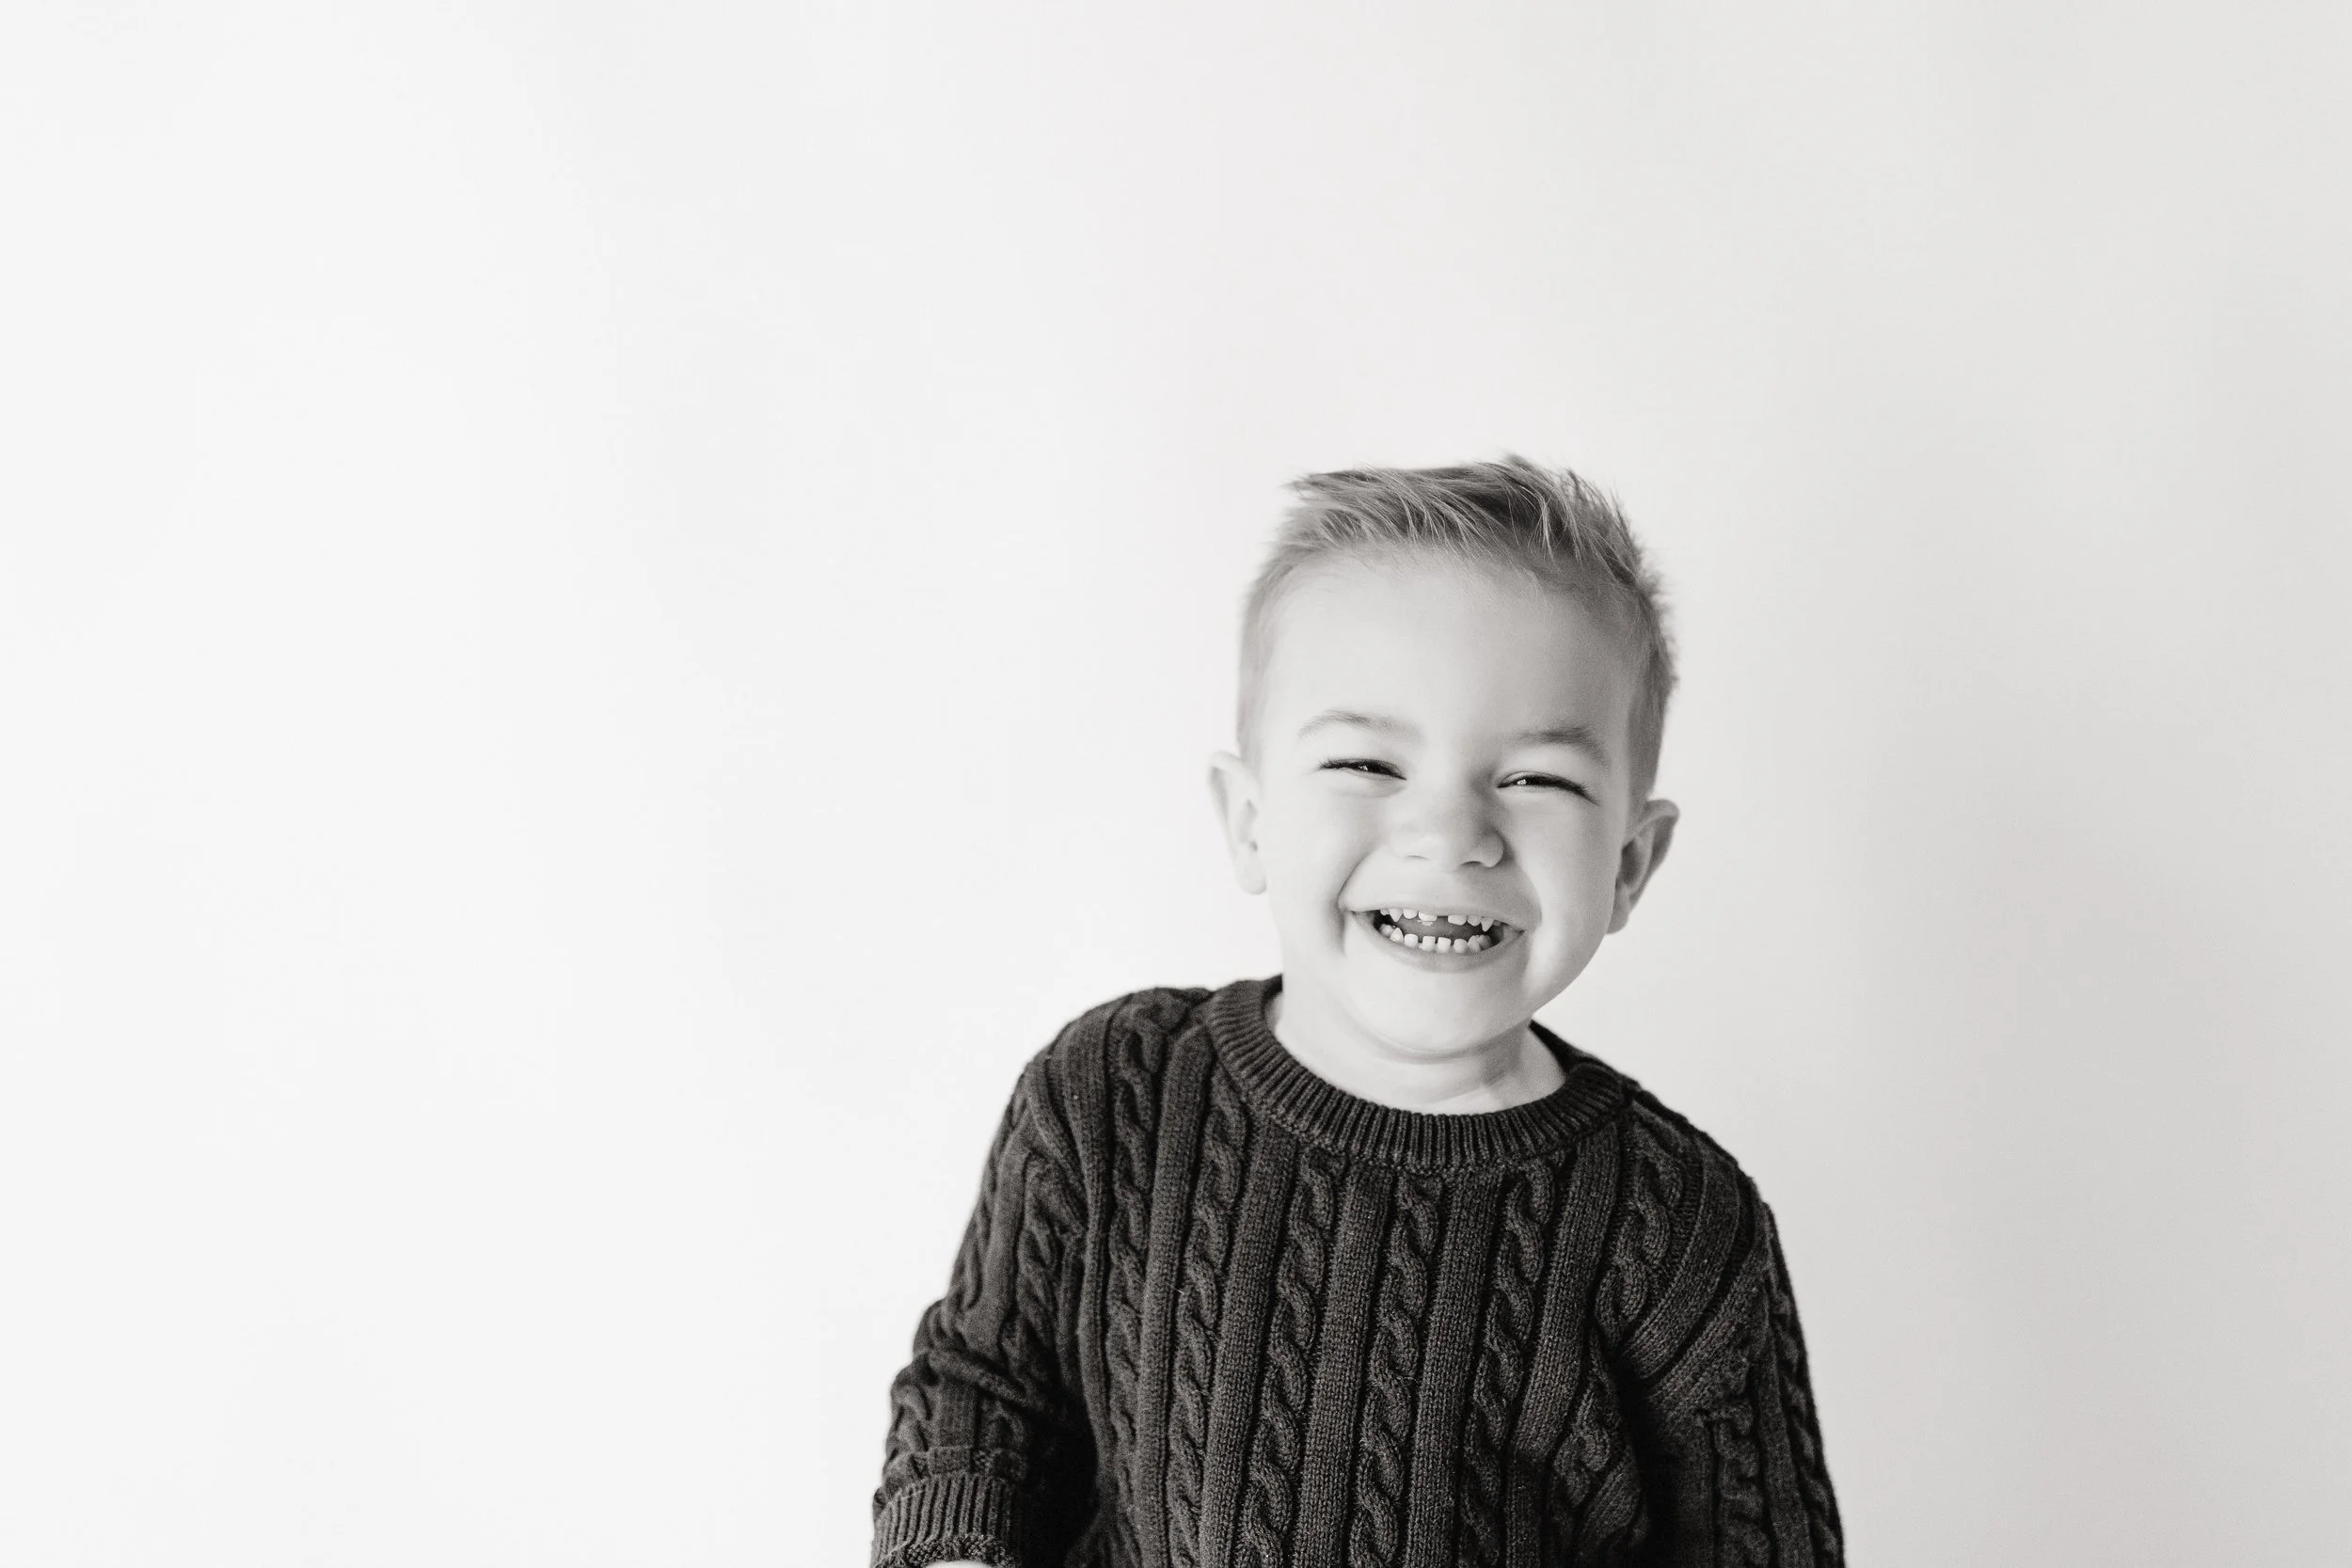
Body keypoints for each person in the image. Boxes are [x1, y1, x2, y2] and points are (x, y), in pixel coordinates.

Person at [870, 458, 1842, 1567]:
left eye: (1534, 779)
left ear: (1629, 862)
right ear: (1249, 819)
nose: (1448, 830)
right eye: (1369, 761)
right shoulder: (1111, 1093)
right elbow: (985, 1387)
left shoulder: (1676, 1223)